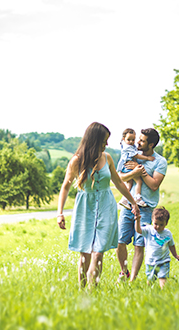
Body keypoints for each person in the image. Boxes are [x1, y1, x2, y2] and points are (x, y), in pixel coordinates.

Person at [56, 122, 140, 289]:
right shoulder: (76, 161)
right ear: (95, 140)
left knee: (98, 251)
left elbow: (118, 182)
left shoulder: (107, 158)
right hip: (84, 208)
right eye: (104, 140)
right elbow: (65, 186)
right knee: (85, 253)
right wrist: (60, 213)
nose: (106, 144)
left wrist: (133, 201)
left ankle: (92, 291)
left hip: (106, 207)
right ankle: (82, 289)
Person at [116, 128, 168, 282]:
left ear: (151, 144)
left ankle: (132, 280)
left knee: (139, 245)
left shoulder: (160, 161)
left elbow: (154, 185)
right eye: (138, 139)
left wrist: (142, 171)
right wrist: (133, 173)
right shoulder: (133, 154)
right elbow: (121, 176)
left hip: (146, 208)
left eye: (142, 141)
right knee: (120, 241)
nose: (137, 142)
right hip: (128, 205)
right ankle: (123, 272)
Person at [134, 207, 179, 289]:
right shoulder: (148, 230)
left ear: (166, 223)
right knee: (150, 280)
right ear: (152, 220)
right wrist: (137, 220)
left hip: (164, 261)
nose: (158, 227)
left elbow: (171, 245)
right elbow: (138, 230)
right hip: (150, 262)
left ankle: (164, 292)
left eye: (161, 224)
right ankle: (150, 292)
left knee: (163, 278)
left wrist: (175, 255)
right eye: (155, 224)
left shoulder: (168, 233)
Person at [116, 128, 155, 209]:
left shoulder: (127, 145)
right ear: (124, 139)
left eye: (133, 139)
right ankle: (138, 198)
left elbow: (154, 186)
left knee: (129, 184)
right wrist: (147, 158)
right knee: (139, 181)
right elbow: (136, 155)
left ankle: (124, 199)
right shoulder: (128, 147)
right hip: (128, 167)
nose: (132, 142)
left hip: (125, 167)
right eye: (129, 140)